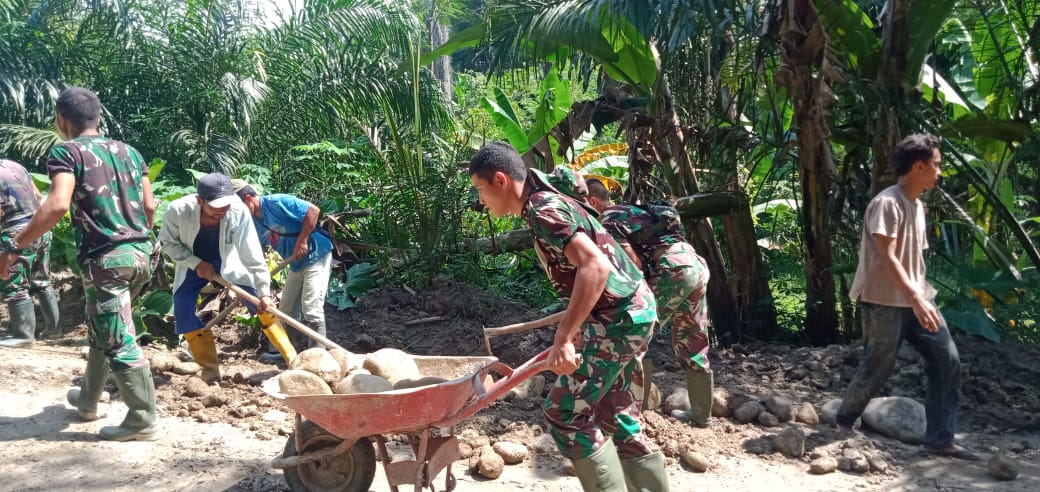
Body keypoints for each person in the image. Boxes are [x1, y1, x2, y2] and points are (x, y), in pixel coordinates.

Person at [469, 142, 668, 492]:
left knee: (565, 412)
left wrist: (563, 337)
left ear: (500, 180)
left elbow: (595, 266)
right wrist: (579, 329)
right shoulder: (549, 202)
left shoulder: (543, 208)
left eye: (481, 191)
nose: (480, 202)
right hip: (630, 313)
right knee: (618, 418)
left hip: (620, 319)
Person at [0, 87, 157, 441]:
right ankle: (87, 400)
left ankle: (143, 417)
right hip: (141, 255)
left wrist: (14, 245)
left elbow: (56, 205)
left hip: (105, 259)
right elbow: (149, 205)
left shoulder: (66, 152)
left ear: (61, 120)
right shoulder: (130, 151)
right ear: (98, 117)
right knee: (105, 326)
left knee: (117, 337)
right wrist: (137, 238)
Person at [837, 133, 980, 460]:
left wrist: (921, 297)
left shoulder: (918, 207)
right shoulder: (887, 203)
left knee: (948, 361)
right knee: (879, 365)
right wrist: (916, 298)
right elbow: (888, 258)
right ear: (919, 166)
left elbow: (913, 260)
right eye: (937, 165)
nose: (940, 172)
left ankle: (940, 440)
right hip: (884, 300)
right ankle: (844, 420)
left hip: (918, 299)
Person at [585, 177, 713, 428]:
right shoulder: (635, 212)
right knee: (694, 339)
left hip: (671, 270)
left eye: (582, 206)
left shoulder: (608, 220)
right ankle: (701, 415)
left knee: (635, 335)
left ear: (593, 202)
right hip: (694, 265)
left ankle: (633, 412)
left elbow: (633, 265)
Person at [158, 173, 294, 384]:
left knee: (259, 303)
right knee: (182, 306)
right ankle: (210, 372)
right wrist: (196, 263)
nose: (221, 211)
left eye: (226, 205)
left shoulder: (238, 211)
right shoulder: (178, 210)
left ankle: (292, 361)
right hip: (192, 263)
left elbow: (252, 255)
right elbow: (168, 242)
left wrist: (264, 293)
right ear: (199, 200)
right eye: (215, 207)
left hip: (229, 262)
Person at [233, 181, 333, 353]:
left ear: (248, 198)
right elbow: (257, 256)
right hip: (295, 264)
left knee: (311, 308)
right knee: (286, 310)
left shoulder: (277, 202)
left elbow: (313, 211)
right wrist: (247, 289)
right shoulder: (252, 223)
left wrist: (302, 241)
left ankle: (318, 356)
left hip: (317, 254)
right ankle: (289, 353)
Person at [0, 158, 60, 347]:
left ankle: (24, 336)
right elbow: (37, 194)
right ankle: (54, 331)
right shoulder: (15, 166)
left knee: (14, 284)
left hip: (16, 233)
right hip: (40, 227)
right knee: (42, 281)